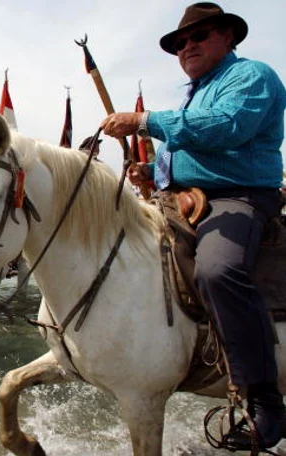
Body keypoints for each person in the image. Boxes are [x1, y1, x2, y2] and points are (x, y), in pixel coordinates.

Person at [101, 3, 286, 450]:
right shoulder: (193, 92)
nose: (187, 47)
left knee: (217, 271)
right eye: (181, 43)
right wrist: (154, 174)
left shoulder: (251, 76)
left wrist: (144, 120)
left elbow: (226, 128)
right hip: (185, 200)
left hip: (238, 198)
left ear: (227, 38)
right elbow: (183, 152)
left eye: (198, 37)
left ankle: (265, 401)